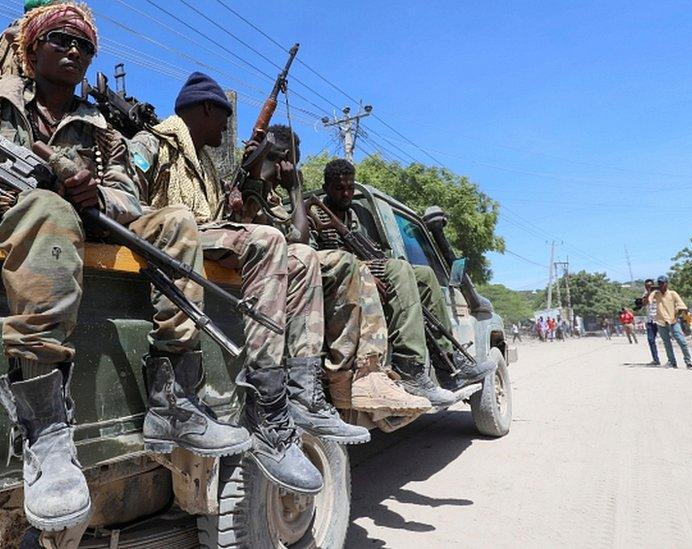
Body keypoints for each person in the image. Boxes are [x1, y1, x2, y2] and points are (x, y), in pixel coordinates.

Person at [0, 5, 251, 532]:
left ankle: (174, 399)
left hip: (90, 230)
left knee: (176, 221)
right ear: (31, 49)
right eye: (60, 39)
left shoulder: (102, 129)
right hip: (12, 230)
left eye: (84, 46)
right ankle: (47, 433)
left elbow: (131, 196)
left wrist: (98, 193)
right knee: (46, 205)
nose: (73, 51)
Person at [128, 72, 324, 495]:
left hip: (202, 244)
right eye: (223, 118)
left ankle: (296, 394)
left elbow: (226, 225)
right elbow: (125, 204)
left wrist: (242, 199)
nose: (225, 128)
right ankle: (265, 413)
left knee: (304, 256)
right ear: (204, 109)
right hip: (168, 241)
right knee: (268, 238)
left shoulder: (207, 166)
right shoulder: (152, 144)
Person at [257, 125, 431, 427]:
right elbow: (300, 242)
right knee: (349, 265)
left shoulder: (345, 214)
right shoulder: (272, 195)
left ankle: (384, 371)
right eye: (287, 160)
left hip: (299, 272)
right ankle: (352, 376)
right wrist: (296, 190)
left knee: (391, 270)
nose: (347, 193)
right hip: (284, 278)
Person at [311, 159, 494, 406]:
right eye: (338, 188)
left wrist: (369, 268)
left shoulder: (357, 215)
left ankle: (448, 364)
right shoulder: (313, 213)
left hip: (363, 272)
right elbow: (314, 261)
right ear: (326, 187)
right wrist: (364, 275)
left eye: (350, 187)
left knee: (427, 276)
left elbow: (372, 253)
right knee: (399, 268)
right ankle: (410, 367)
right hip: (338, 285)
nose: (345, 194)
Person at [645, 276, 692, 368]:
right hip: (660, 322)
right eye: (659, 283)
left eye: (662, 283)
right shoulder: (655, 293)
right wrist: (649, 292)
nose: (660, 285)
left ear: (667, 283)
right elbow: (647, 302)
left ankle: (688, 361)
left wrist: (676, 314)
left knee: (682, 342)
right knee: (667, 343)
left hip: (673, 322)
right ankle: (672, 362)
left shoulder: (672, 293)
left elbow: (682, 306)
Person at [637, 278, 661, 365]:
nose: (648, 287)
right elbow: (644, 303)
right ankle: (656, 359)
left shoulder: (659, 293)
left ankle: (671, 359)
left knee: (667, 340)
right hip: (650, 320)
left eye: (650, 286)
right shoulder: (645, 294)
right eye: (647, 286)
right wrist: (648, 293)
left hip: (660, 319)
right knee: (651, 340)